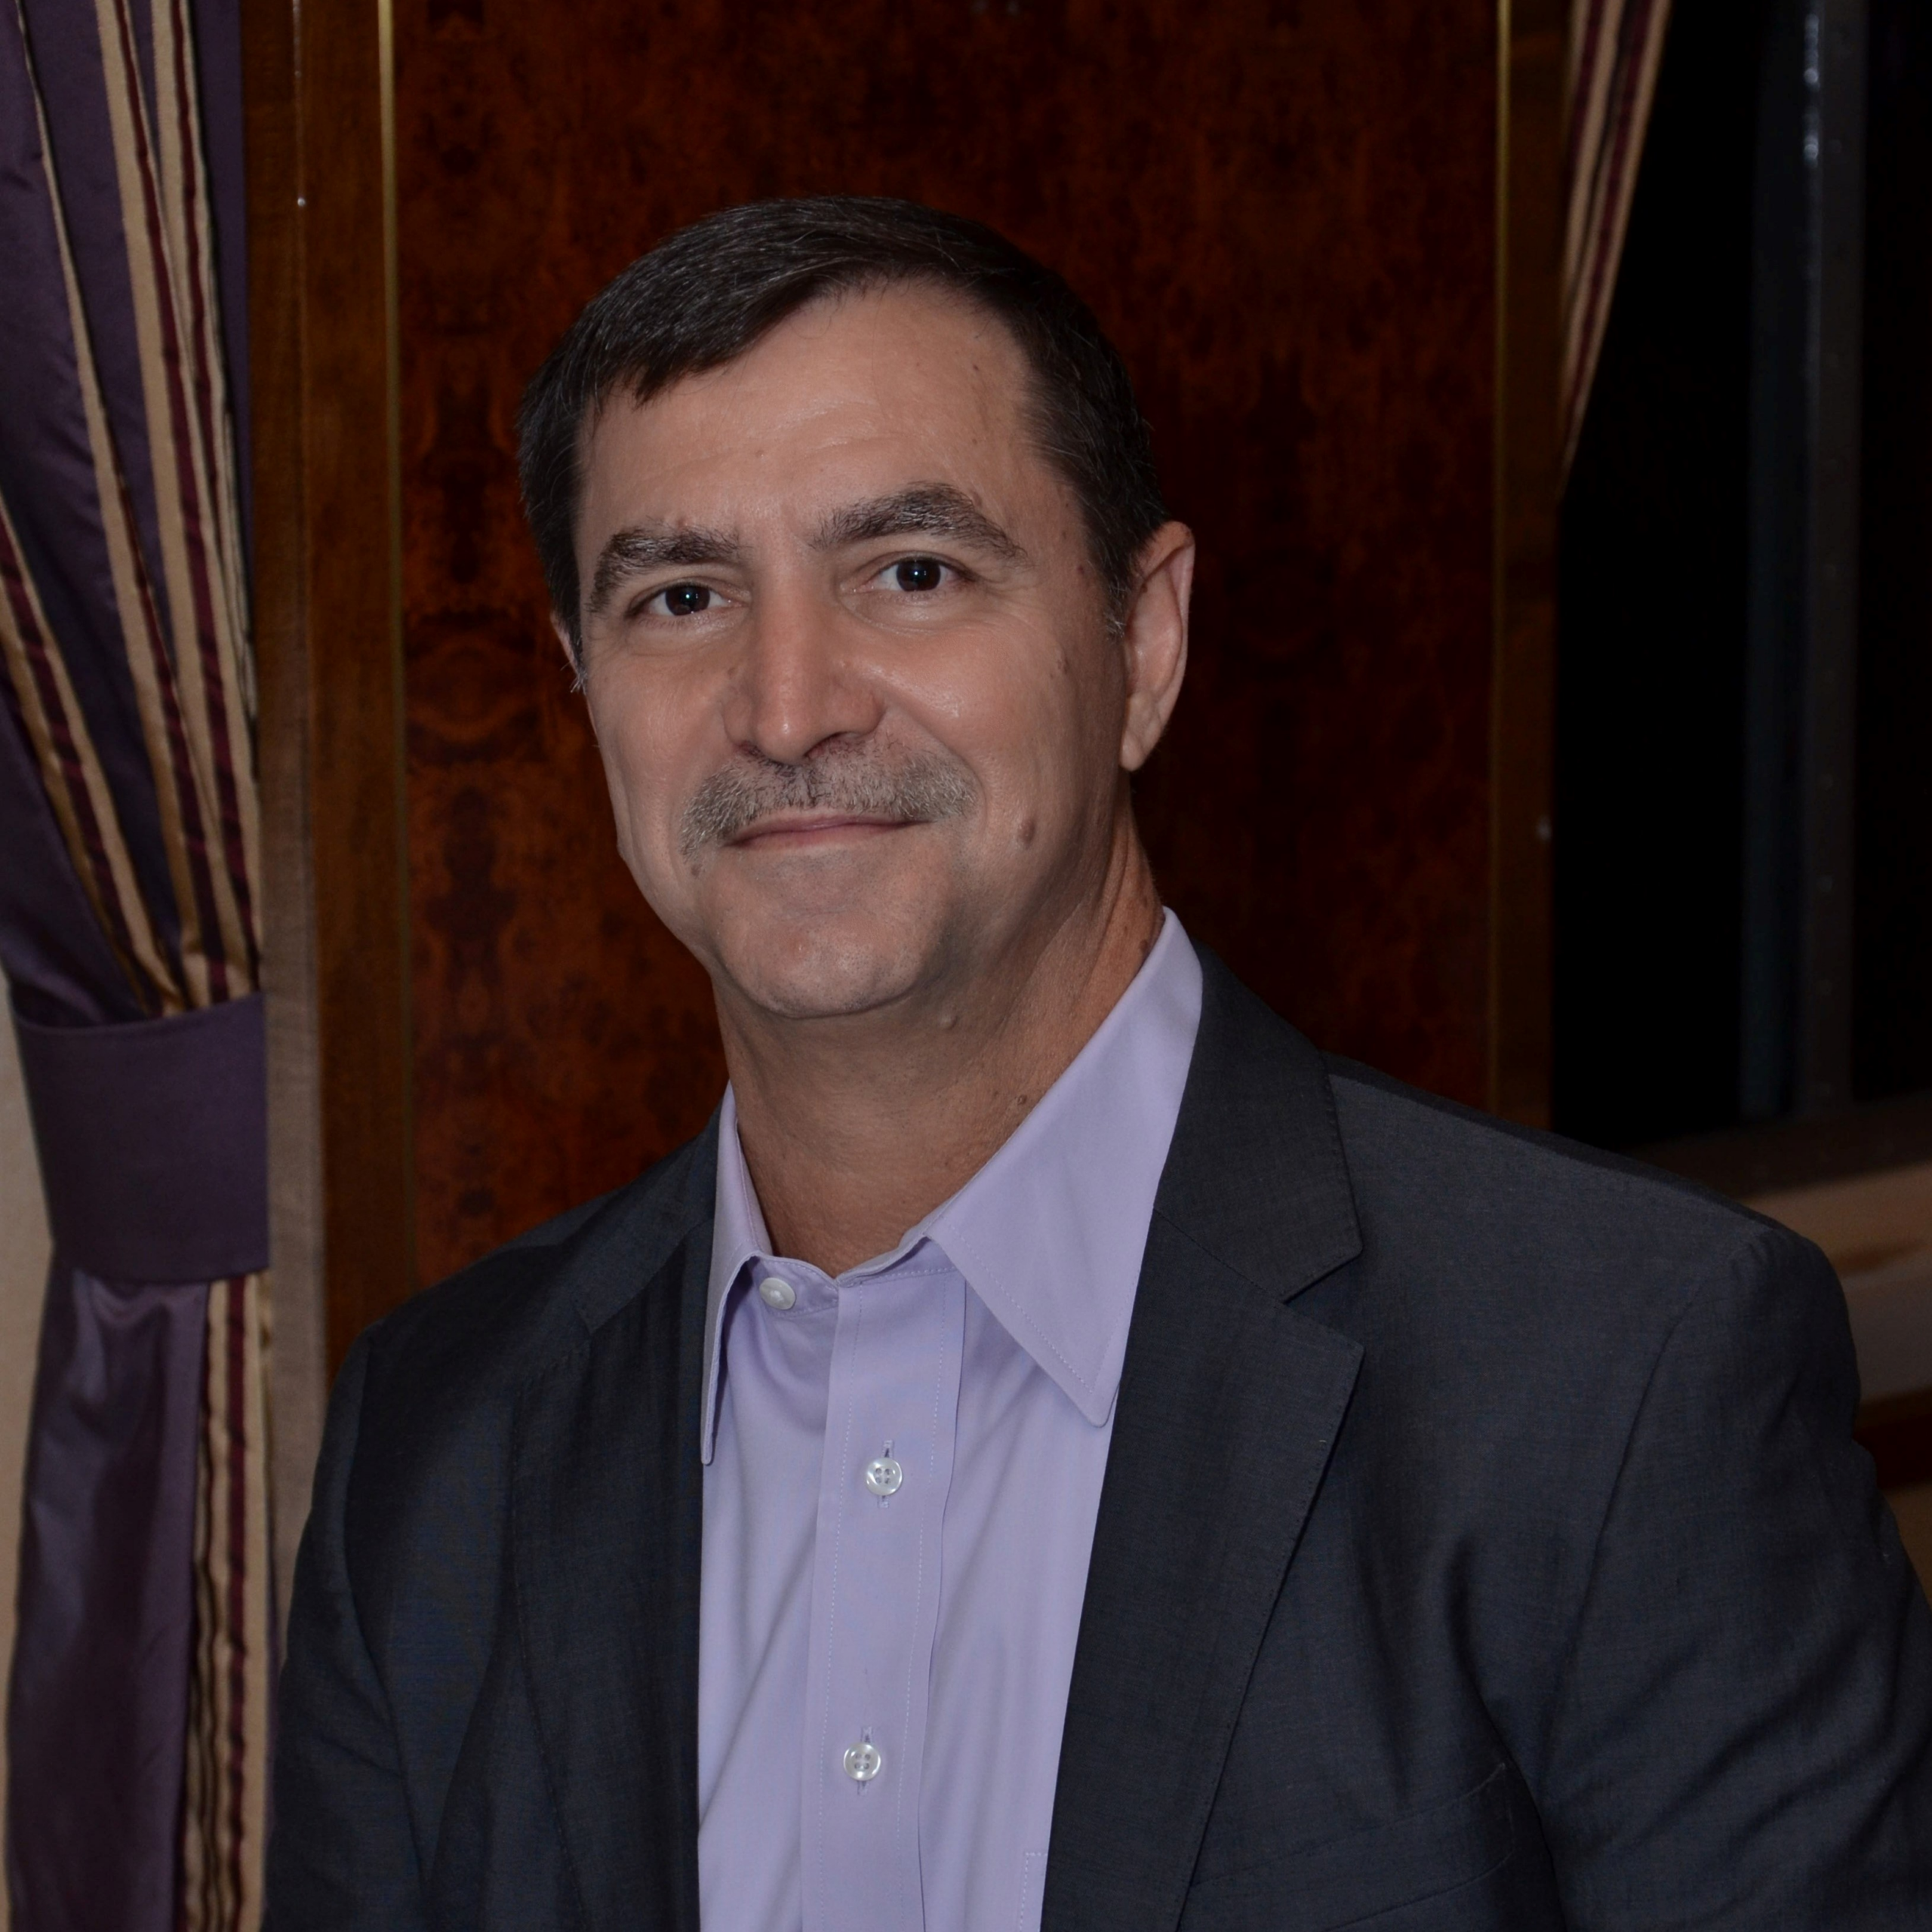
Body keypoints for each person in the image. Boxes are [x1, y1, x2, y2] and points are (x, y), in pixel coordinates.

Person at [267, 198, 1932, 1931]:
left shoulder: (1611, 1376)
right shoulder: (438, 1439)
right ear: (580, 682)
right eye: (681, 596)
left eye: (910, 572)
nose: (783, 704)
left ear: (1142, 643)